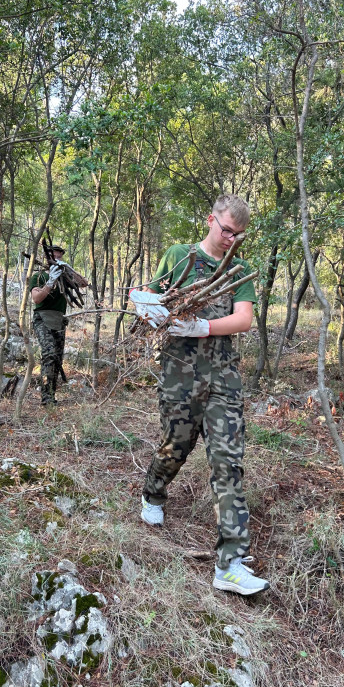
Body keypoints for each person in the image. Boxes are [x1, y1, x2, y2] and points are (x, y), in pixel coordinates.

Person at [130, 195, 270, 596]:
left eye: (238, 234)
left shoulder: (238, 268)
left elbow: (243, 319)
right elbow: (148, 294)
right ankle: (153, 492)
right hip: (180, 378)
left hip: (223, 381)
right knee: (175, 446)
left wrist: (203, 328)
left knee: (228, 463)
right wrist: (147, 307)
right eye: (226, 230)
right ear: (211, 220)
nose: (231, 239)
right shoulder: (180, 255)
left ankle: (230, 562)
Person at [29, 245, 68, 405]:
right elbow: (36, 299)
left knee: (57, 358)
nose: (57, 260)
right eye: (54, 257)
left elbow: (84, 283)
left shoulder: (65, 277)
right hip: (43, 319)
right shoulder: (38, 277)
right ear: (47, 259)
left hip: (59, 320)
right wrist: (50, 282)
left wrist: (68, 270)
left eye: (60, 257)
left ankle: (52, 394)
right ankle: (46, 397)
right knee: (49, 354)